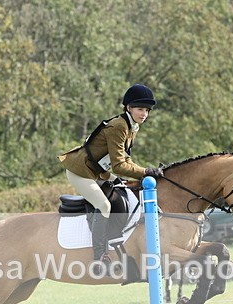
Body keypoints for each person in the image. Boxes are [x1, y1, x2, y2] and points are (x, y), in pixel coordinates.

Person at [58, 84, 164, 269]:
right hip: (80, 171)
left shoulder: (132, 126)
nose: (144, 114)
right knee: (104, 206)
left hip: (98, 171)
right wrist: (145, 171)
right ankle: (99, 256)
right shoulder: (119, 126)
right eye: (140, 109)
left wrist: (141, 173)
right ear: (128, 107)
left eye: (147, 110)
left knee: (125, 189)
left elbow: (125, 159)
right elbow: (119, 165)